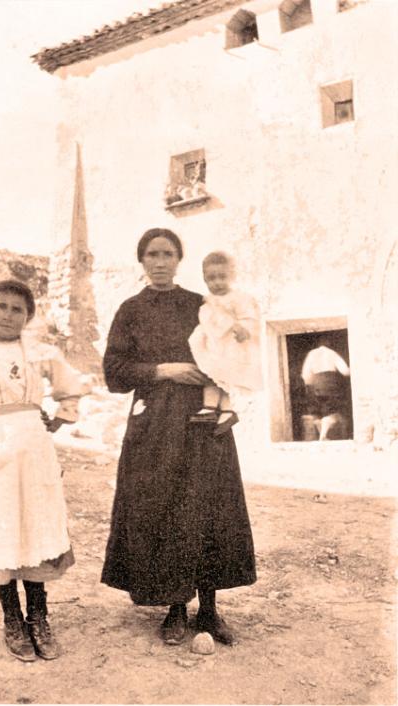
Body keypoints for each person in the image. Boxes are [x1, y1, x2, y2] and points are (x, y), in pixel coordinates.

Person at [101, 229, 256, 646]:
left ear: (179, 259)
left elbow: (230, 349)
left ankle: (209, 610)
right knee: (165, 509)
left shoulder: (200, 304)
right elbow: (114, 372)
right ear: (141, 260)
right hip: (155, 423)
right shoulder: (131, 310)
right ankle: (174, 608)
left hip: (202, 418)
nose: (160, 262)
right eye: (152, 254)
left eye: (167, 254)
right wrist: (164, 370)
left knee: (209, 508)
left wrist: (226, 390)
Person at [0, 280, 84, 662]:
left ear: (29, 316)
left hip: (35, 448)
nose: (8, 315)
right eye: (1, 306)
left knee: (36, 523)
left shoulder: (40, 353)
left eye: (17, 309)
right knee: (3, 527)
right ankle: (12, 618)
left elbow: (70, 386)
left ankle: (38, 615)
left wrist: (60, 418)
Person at [188, 251, 262, 434]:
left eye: (222, 277)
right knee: (212, 376)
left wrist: (244, 328)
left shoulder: (240, 298)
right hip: (214, 343)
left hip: (231, 345)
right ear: (204, 279)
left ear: (232, 276)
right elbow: (207, 319)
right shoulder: (208, 301)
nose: (217, 283)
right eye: (211, 278)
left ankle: (227, 409)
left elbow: (250, 317)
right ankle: (211, 408)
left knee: (226, 377)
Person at [301, 334, 351, 440]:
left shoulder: (311, 354)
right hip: (329, 384)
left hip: (314, 385)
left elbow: (305, 375)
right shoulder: (332, 353)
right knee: (333, 412)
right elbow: (345, 371)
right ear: (329, 343)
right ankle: (323, 436)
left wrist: (310, 389)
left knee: (317, 414)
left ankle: (322, 435)